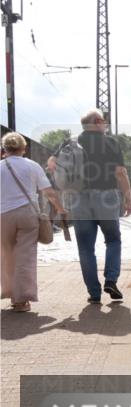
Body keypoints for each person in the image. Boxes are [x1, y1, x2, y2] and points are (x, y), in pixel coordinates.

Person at [69, 110, 131, 303]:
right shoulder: (110, 142)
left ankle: (94, 293)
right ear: (97, 122)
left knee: (85, 248)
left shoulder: (71, 142)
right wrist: (128, 199)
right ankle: (111, 280)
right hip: (106, 197)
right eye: (104, 121)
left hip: (79, 199)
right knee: (113, 240)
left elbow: (53, 166)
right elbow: (120, 173)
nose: (106, 124)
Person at [1, 132, 67, 312]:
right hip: (27, 214)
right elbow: (48, 191)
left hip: (3, 215)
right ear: (24, 148)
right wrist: (60, 209)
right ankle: (21, 300)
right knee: (26, 257)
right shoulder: (32, 166)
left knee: (6, 255)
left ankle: (10, 292)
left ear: (4, 149)